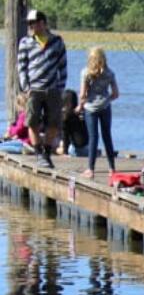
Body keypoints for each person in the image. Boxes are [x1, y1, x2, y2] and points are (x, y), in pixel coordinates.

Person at [17, 9, 68, 169]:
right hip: (34, 89)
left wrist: (60, 88)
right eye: (29, 24)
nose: (31, 27)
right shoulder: (25, 42)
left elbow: (63, 66)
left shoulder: (57, 41)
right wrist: (26, 88)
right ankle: (38, 152)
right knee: (32, 122)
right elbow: (22, 67)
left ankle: (46, 152)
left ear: (43, 23)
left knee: (53, 123)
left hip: (52, 88)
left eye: (33, 23)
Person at [77, 46, 120, 179]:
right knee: (107, 136)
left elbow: (83, 94)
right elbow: (116, 93)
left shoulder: (86, 73)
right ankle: (112, 168)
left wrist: (80, 106)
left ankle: (91, 169)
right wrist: (106, 99)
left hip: (90, 109)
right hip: (105, 107)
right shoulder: (110, 73)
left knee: (93, 138)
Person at [58, 90, 88, 157]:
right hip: (89, 148)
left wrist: (65, 153)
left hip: (77, 150)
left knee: (57, 148)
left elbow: (65, 136)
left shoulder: (66, 116)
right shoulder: (82, 112)